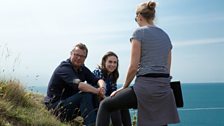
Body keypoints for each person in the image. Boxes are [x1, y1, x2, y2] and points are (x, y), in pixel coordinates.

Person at [96, 1, 180, 126]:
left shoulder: (139, 33)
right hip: (164, 89)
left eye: (136, 19)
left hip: (145, 88)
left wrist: (124, 87)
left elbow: (134, 67)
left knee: (105, 105)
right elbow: (167, 69)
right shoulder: (166, 36)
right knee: (159, 121)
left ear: (140, 16)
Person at [44, 43, 105, 126]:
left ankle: (99, 122)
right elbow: (80, 85)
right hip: (55, 109)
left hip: (69, 105)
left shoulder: (82, 69)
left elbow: (98, 80)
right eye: (76, 54)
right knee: (86, 94)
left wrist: (102, 88)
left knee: (93, 90)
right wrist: (97, 91)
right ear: (71, 54)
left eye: (82, 56)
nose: (79, 58)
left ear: (85, 58)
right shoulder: (64, 68)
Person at [93, 51, 132, 126]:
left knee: (123, 104)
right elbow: (99, 92)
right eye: (110, 62)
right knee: (114, 105)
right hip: (96, 100)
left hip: (106, 99)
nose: (112, 64)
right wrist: (112, 100)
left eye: (115, 62)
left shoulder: (113, 75)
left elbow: (113, 92)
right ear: (104, 62)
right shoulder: (98, 72)